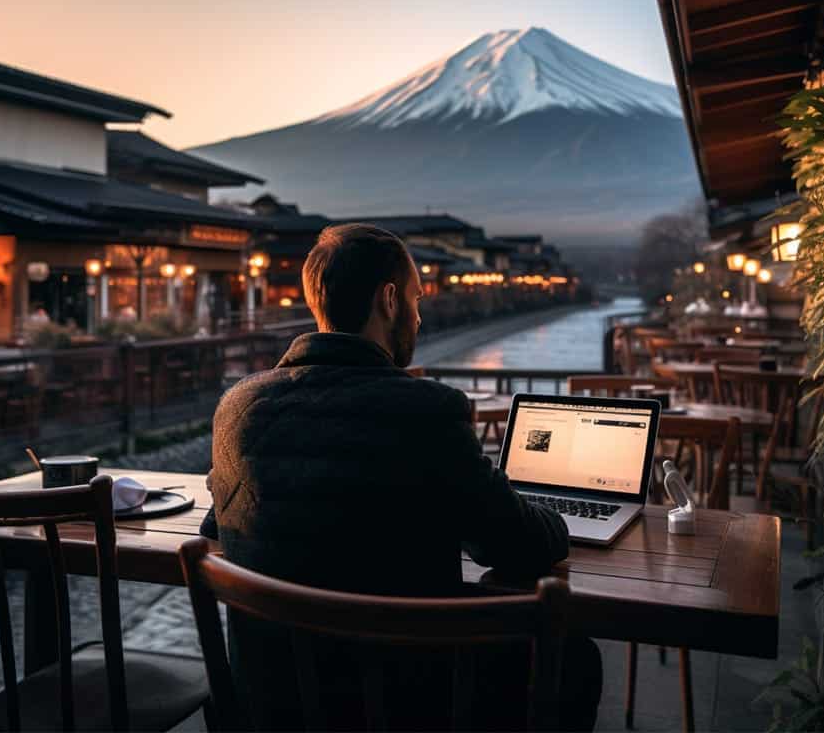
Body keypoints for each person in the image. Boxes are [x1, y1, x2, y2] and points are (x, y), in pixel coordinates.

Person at [202, 223, 602, 730]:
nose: (418, 315)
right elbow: (517, 545)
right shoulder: (427, 410)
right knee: (575, 657)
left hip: (273, 703)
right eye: (416, 298)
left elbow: (217, 526)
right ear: (388, 300)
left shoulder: (238, 406)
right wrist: (553, 514)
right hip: (405, 704)